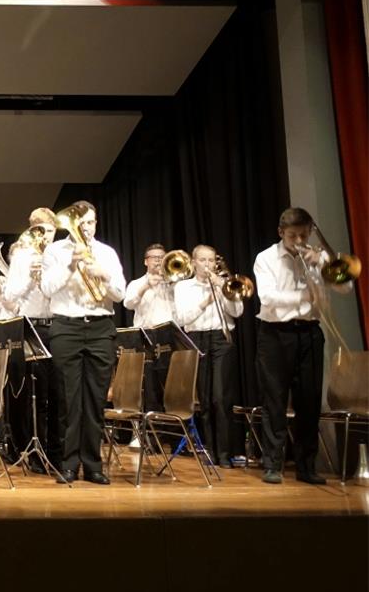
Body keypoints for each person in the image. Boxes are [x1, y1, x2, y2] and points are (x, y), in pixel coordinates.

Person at [253, 207, 353, 485]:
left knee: (309, 401)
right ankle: (272, 464)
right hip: (275, 334)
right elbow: (269, 298)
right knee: (274, 400)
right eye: (292, 235)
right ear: (281, 233)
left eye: (303, 234)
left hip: (310, 333)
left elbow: (345, 288)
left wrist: (322, 263)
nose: (298, 240)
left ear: (310, 232)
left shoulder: (318, 258)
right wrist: (304, 295)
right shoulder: (266, 258)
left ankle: (307, 467)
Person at [40, 201, 125, 485]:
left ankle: (93, 465)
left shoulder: (107, 253)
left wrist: (104, 274)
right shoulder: (55, 251)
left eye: (91, 222)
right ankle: (67, 464)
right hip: (67, 326)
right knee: (68, 398)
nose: (87, 228)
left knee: (95, 400)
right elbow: (47, 289)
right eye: (82, 223)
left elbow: (120, 294)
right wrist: (71, 265)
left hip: (101, 326)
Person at [174, 244, 244, 467]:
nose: (207, 265)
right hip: (197, 339)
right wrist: (206, 301)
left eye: (211, 260)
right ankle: (211, 452)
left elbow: (237, 312)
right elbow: (183, 319)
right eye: (202, 260)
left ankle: (225, 453)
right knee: (204, 399)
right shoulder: (183, 287)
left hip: (221, 338)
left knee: (220, 397)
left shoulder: (224, 282)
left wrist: (223, 290)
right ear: (193, 262)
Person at [2, 208, 61, 473]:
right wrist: (31, 278)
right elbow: (12, 295)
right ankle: (28, 448)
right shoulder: (23, 255)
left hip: (57, 325)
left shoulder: (60, 253)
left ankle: (53, 449)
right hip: (30, 326)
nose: (46, 236)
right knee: (30, 392)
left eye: (49, 230)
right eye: (40, 230)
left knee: (55, 392)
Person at [123, 243, 176, 413]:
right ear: (146, 261)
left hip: (168, 336)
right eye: (155, 258)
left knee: (169, 384)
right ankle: (150, 431)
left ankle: (169, 431)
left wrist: (171, 281)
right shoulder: (136, 283)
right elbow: (128, 304)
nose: (158, 261)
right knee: (148, 385)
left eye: (162, 257)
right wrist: (146, 286)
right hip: (145, 336)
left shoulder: (173, 282)